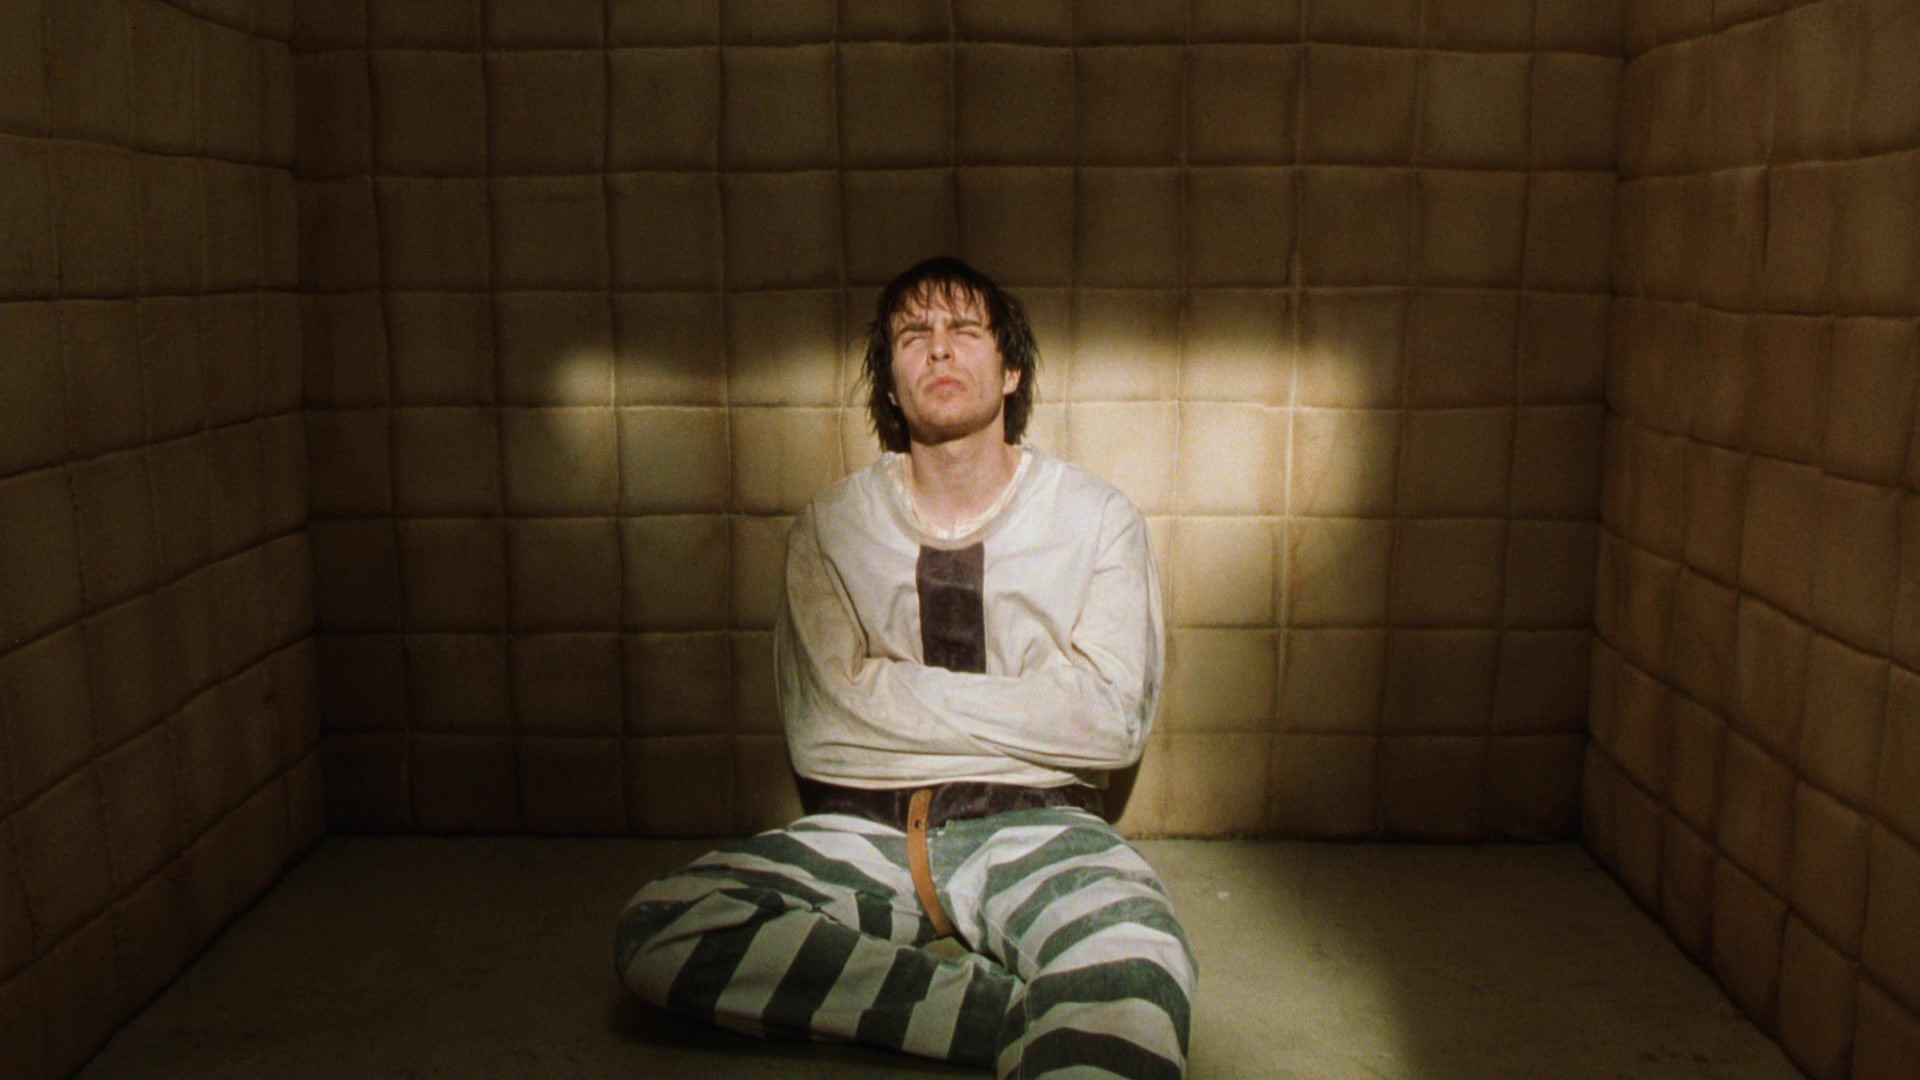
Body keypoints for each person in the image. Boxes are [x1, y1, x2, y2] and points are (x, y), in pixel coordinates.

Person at [615, 256, 1195, 1078]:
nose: (940, 349)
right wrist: (1033, 708)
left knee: (1139, 966)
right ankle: (1012, 1015)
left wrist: (883, 693)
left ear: (1011, 369)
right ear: (890, 385)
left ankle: (1063, 1015)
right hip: (867, 828)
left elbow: (1110, 725)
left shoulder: (1096, 519)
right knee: (665, 925)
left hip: (1041, 826)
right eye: (913, 335)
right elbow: (822, 733)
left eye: (965, 330)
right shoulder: (832, 525)